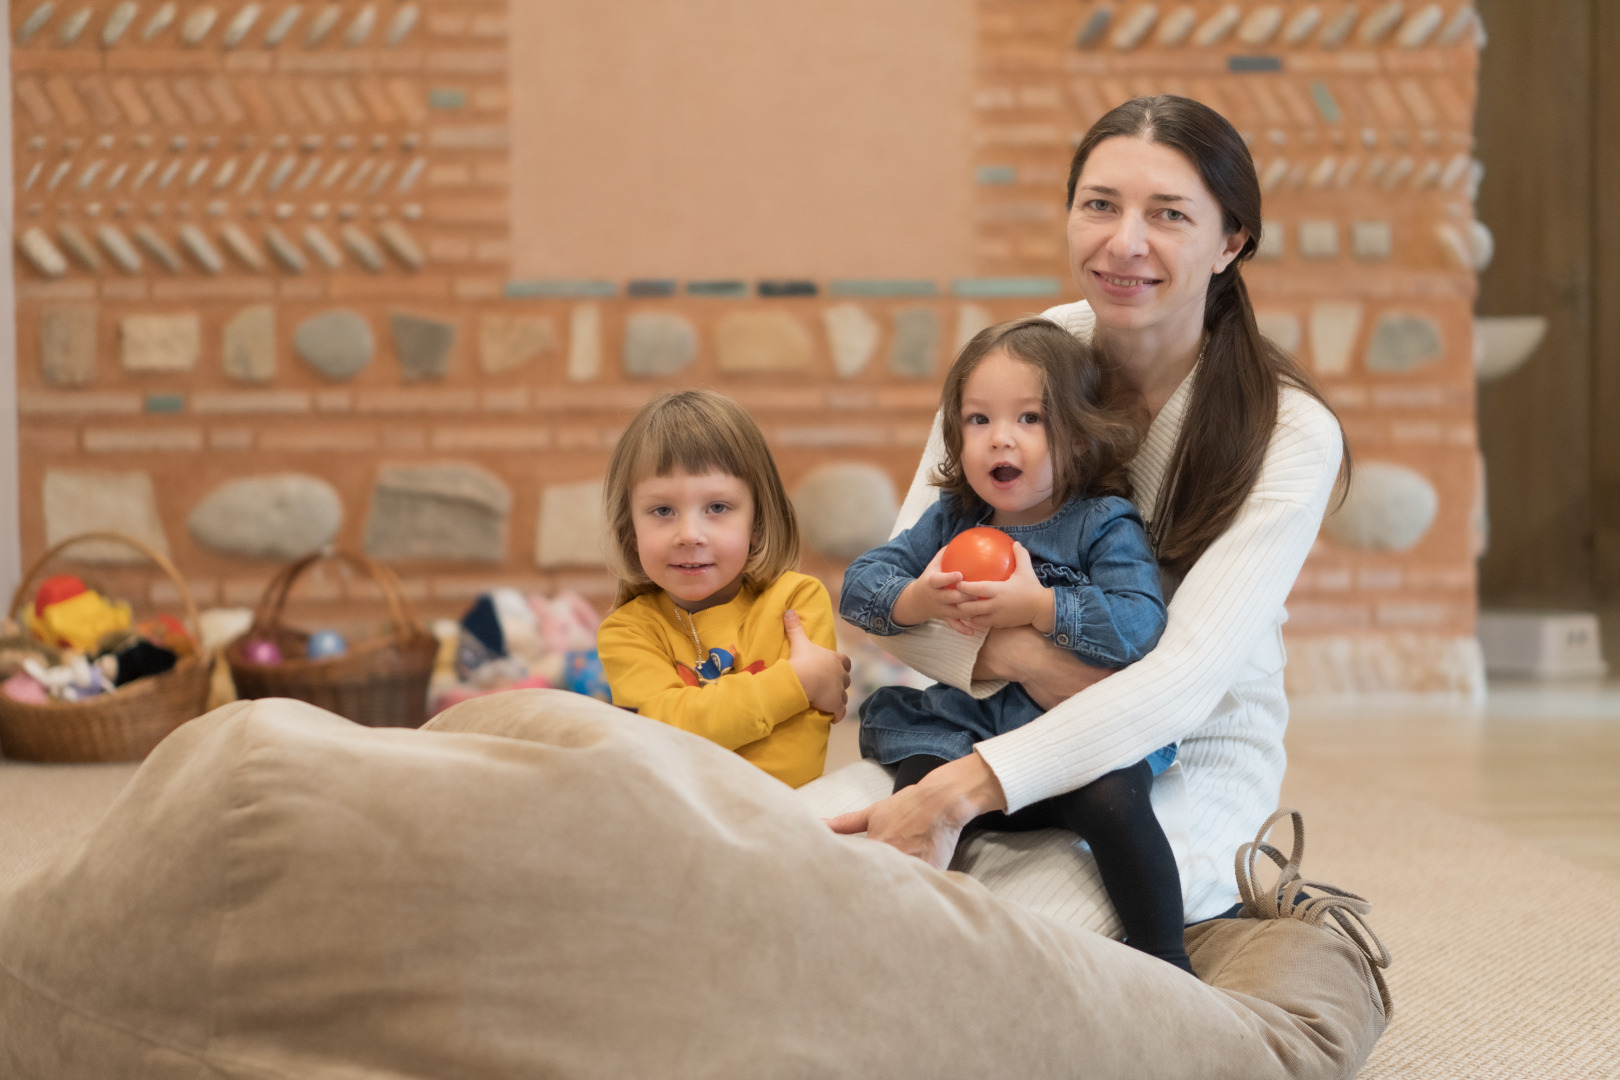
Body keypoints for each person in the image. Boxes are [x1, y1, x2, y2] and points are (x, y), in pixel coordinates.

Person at [826, 94, 1351, 929]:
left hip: (1174, 760)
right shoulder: (1012, 368)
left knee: (1003, 936)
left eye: (1169, 214)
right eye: (1099, 205)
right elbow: (898, 613)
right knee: (797, 863)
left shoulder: (1290, 431)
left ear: (1231, 242)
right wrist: (1035, 665)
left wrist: (961, 792)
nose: (1124, 242)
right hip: (971, 717)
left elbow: (1182, 688)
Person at [840, 316, 1193, 972]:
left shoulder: (1101, 524)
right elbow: (861, 586)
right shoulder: (953, 519)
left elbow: (1139, 626)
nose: (1000, 437)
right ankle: (909, 951)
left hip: (1072, 741)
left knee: (1116, 801)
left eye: (1029, 418)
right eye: (978, 421)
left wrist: (1040, 605)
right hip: (969, 732)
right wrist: (916, 598)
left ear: (1080, 435)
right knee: (918, 789)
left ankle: (1166, 960)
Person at [597, 389, 851, 788]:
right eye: (662, 511)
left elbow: (792, 762)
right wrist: (795, 683)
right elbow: (662, 736)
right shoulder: (626, 631)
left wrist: (697, 722)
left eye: (717, 508)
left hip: (780, 818)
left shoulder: (796, 600)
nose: (689, 534)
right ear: (630, 531)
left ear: (759, 519)